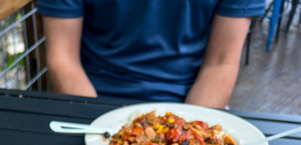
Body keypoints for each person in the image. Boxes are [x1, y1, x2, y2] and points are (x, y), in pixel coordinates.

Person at [37, 0, 265, 108]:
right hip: (92, 99)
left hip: (191, 104)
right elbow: (63, 59)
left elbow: (221, 63)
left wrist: (185, 133)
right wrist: (100, 132)